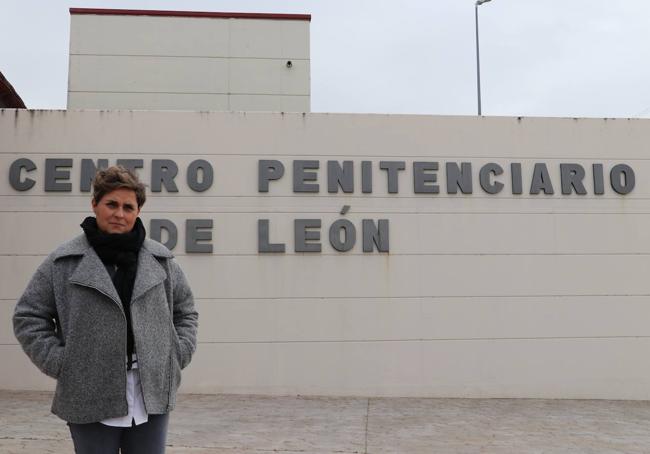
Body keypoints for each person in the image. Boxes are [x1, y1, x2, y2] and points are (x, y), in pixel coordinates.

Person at [13, 165, 198, 454]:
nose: (119, 214)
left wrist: (176, 353)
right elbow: (28, 316)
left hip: (151, 393)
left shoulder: (161, 261)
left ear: (138, 211)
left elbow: (186, 312)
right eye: (111, 204)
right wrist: (63, 363)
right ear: (95, 205)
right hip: (88, 394)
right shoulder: (64, 261)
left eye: (129, 206)